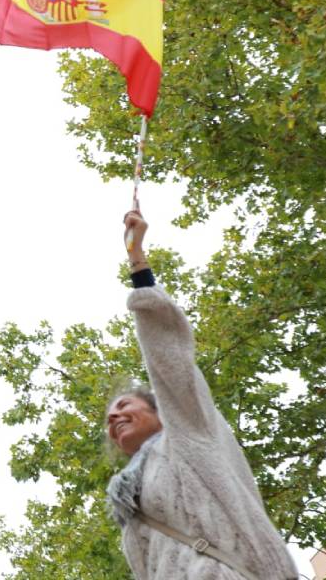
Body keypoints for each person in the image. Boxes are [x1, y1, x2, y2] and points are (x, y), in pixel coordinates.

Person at [106, 209, 298, 579]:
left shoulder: (188, 435)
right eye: (109, 420)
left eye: (124, 405)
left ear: (163, 411)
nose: (113, 418)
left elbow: (170, 360)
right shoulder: (128, 498)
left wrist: (137, 259)